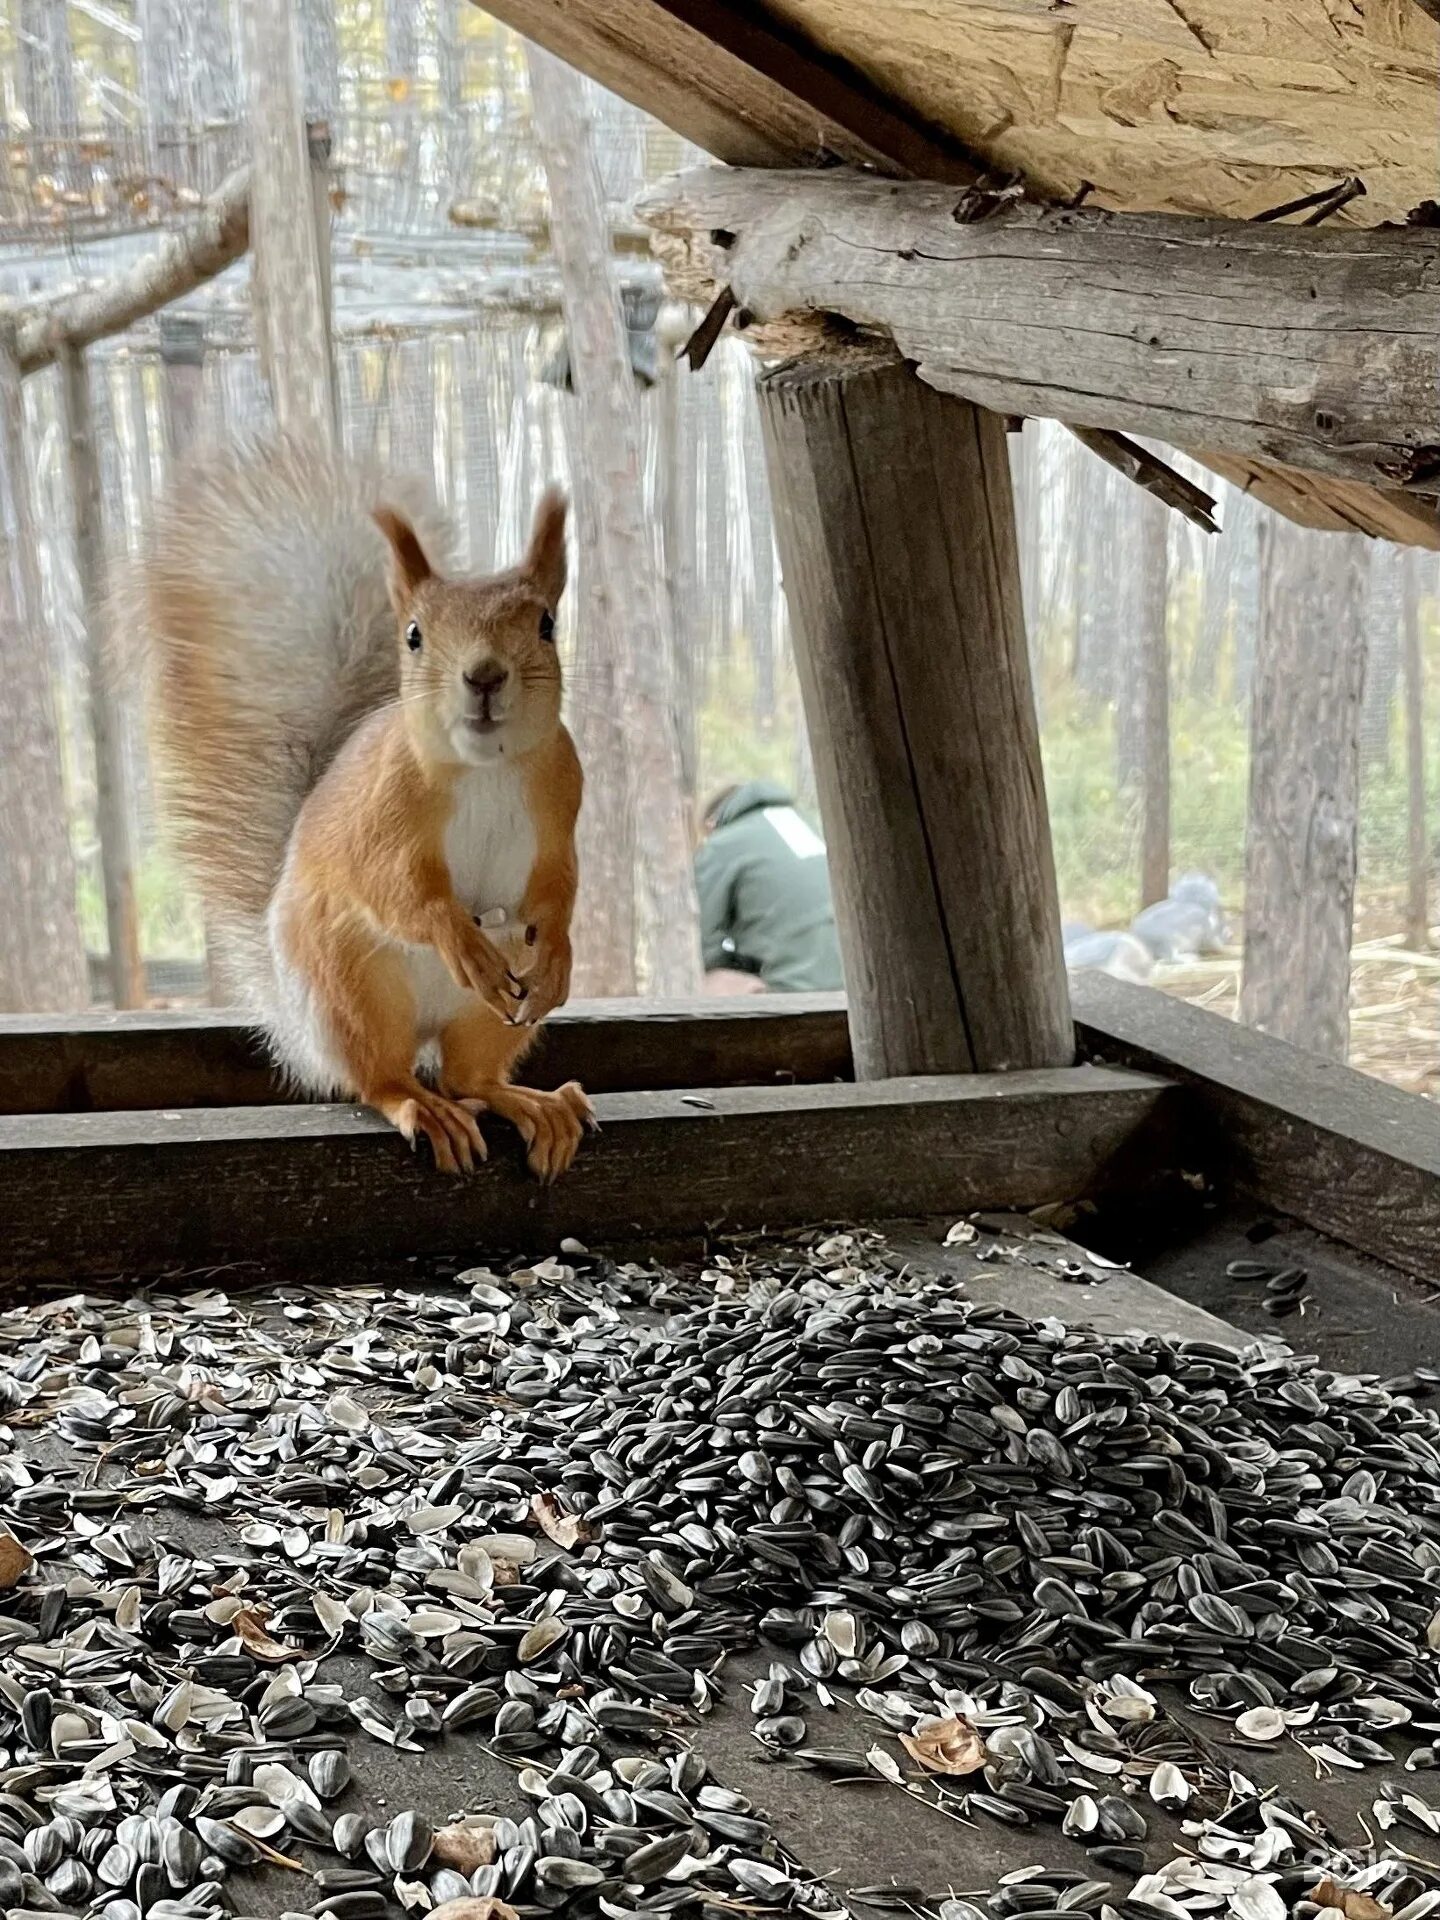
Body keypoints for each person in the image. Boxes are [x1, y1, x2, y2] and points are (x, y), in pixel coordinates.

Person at [694, 780, 844, 993]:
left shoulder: (722, 844)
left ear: (711, 823)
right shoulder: (810, 825)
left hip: (789, 990)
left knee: (709, 980)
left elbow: (699, 940)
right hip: (849, 984)